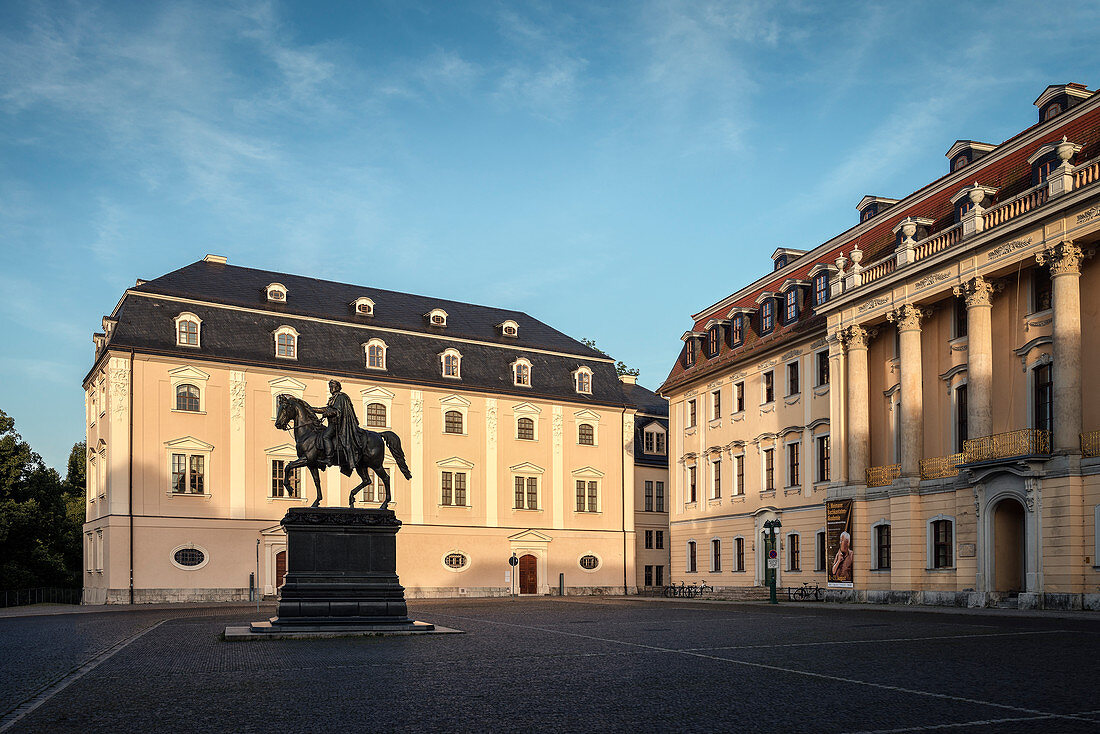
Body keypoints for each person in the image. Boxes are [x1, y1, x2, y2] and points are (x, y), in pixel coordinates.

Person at [313, 379, 361, 475]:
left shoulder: (341, 397)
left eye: (332, 386)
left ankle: (329, 459)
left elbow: (337, 411)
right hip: (332, 424)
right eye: (330, 387)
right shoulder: (333, 398)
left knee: (326, 436)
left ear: (337, 387)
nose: (330, 389)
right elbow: (326, 409)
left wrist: (327, 413)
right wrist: (312, 409)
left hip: (339, 424)